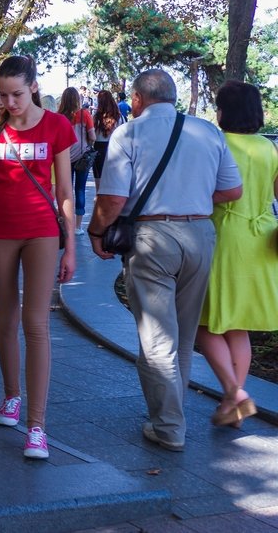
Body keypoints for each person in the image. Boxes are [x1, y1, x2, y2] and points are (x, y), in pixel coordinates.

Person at [89, 69, 242, 451]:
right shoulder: (208, 131)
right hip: (200, 235)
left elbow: (112, 200)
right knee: (184, 336)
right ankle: (174, 416)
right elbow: (232, 190)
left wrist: (95, 232)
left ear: (137, 99)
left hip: (153, 238)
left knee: (158, 339)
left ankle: (169, 426)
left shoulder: (129, 132)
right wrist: (192, 201)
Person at [0, 55, 77, 459]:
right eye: (2, 94)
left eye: (16, 93)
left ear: (33, 86)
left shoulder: (57, 126)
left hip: (41, 232)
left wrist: (72, 246)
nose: (9, 102)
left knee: (36, 323)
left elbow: (64, 192)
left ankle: (37, 425)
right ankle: (11, 396)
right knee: (5, 318)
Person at [196, 81, 277, 429]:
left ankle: (234, 393)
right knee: (237, 327)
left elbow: (209, 191)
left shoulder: (216, 142)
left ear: (224, 110)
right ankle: (233, 403)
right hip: (260, 239)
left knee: (203, 322)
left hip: (225, 237)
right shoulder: (270, 148)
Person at [58, 87, 96, 232]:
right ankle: (78, 226)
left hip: (64, 159)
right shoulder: (84, 115)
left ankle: (65, 223)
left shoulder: (59, 116)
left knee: (65, 191)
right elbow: (92, 136)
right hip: (82, 158)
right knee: (80, 189)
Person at [91, 90, 121, 193]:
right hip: (115, 149)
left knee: (98, 186)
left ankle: (99, 205)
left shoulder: (96, 117)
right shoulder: (118, 117)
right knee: (113, 184)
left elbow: (92, 136)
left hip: (99, 149)